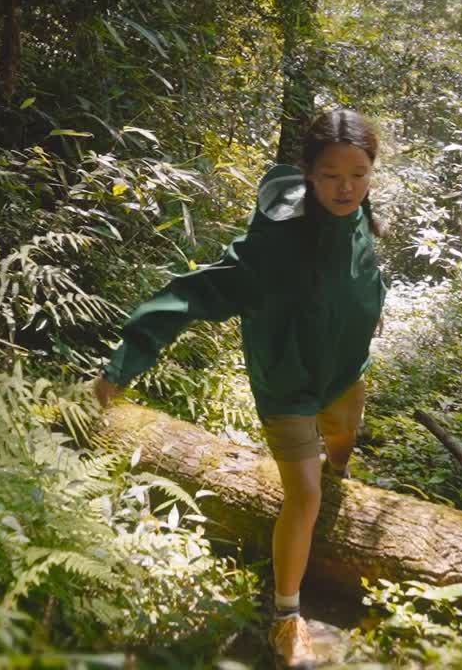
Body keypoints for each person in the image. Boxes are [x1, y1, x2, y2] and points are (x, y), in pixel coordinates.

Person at [92, 109, 386, 668]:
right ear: (306, 173)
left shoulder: (357, 208)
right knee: (303, 493)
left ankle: (337, 480)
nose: (345, 187)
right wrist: (121, 367)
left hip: (345, 371)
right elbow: (188, 295)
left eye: (359, 173)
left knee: (343, 445)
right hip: (287, 384)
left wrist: (372, 305)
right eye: (330, 175)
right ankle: (285, 618)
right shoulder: (272, 246)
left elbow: (362, 261)